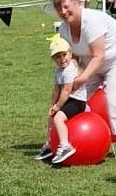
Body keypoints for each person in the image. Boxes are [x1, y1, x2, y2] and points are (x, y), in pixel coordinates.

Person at [51, 0, 116, 161]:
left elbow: (100, 55)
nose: (64, 11)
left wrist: (82, 78)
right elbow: (72, 57)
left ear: (76, 3)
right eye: (59, 9)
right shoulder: (63, 29)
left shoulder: (90, 21)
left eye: (66, 6)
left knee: (113, 99)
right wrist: (71, 78)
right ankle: (64, 142)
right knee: (73, 97)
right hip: (90, 62)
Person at [38, 36, 90, 166]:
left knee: (58, 119)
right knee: (51, 117)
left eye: (64, 55)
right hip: (67, 100)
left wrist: (58, 107)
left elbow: (66, 91)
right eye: (57, 57)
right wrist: (53, 105)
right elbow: (57, 89)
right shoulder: (58, 71)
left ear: (70, 53)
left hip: (77, 102)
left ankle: (65, 146)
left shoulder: (69, 70)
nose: (62, 59)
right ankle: (50, 145)